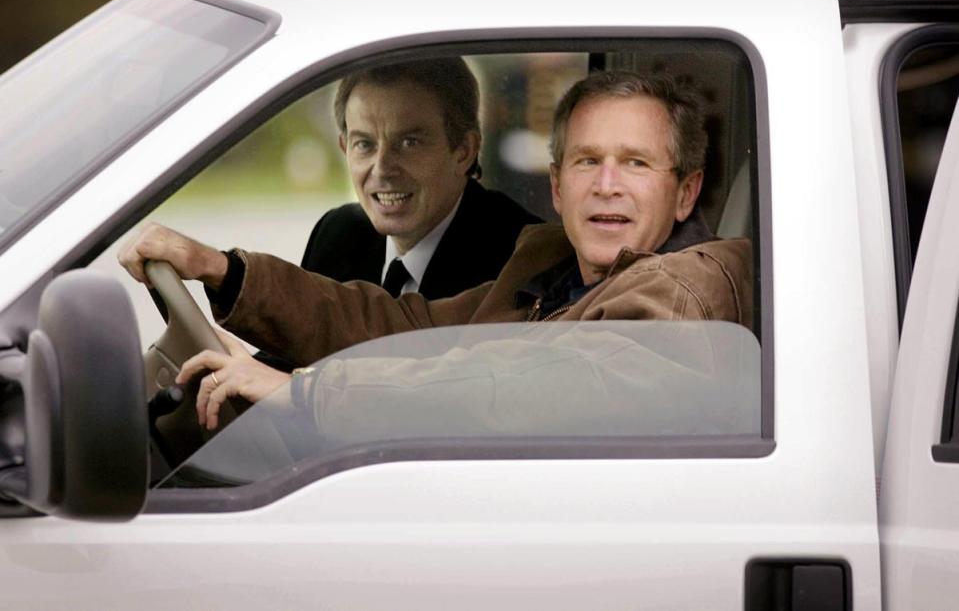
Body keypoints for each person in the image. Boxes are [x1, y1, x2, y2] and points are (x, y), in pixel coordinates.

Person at [120, 70, 752, 430]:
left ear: (686, 191)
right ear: (557, 186)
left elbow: (523, 386)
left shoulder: (683, 290)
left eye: (636, 163)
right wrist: (223, 270)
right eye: (587, 161)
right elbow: (403, 325)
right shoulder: (551, 263)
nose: (606, 183)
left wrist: (304, 390)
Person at [302, 58, 540, 298]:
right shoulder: (334, 237)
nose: (382, 168)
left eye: (409, 143)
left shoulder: (523, 261)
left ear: (464, 151)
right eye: (364, 144)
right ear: (345, 148)